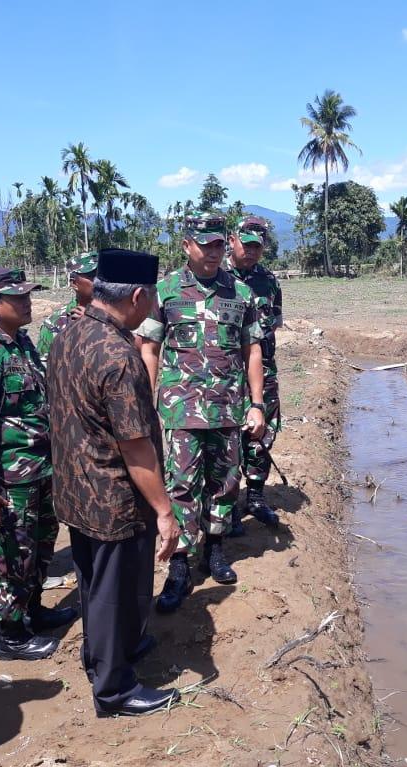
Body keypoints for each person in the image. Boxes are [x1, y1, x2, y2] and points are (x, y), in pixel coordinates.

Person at [50, 247, 181, 717]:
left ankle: (103, 655)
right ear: (140, 296)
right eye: (152, 301)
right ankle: (114, 689)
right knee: (115, 588)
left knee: (92, 583)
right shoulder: (119, 354)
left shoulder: (68, 334)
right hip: (112, 495)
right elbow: (135, 444)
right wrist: (165, 510)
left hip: (75, 488)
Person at [138, 212, 267, 614]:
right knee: (180, 486)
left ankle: (214, 550)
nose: (213, 252)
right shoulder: (165, 292)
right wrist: (147, 400)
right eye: (205, 244)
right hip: (181, 410)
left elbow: (253, 350)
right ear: (186, 246)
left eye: (217, 244)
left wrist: (258, 404)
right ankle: (179, 566)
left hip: (228, 408)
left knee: (225, 483)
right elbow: (149, 349)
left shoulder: (240, 292)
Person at [0, 268, 77, 660]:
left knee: (39, 548)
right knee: (11, 556)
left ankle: (35, 611)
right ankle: (11, 636)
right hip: (9, 480)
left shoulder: (21, 344)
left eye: (28, 296)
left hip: (40, 471)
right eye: (18, 298)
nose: (27, 303)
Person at [227, 216, 283, 533]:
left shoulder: (268, 280)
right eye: (246, 245)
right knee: (228, 437)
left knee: (262, 432)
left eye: (257, 248)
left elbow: (274, 321)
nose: (251, 252)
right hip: (227, 372)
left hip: (264, 369)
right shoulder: (219, 279)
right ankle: (229, 505)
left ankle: (256, 496)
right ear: (233, 241)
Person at [36, 250, 97, 369]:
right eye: (93, 276)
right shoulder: (55, 323)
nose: (100, 281)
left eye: (103, 275)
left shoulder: (119, 316)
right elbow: (44, 369)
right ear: (74, 283)